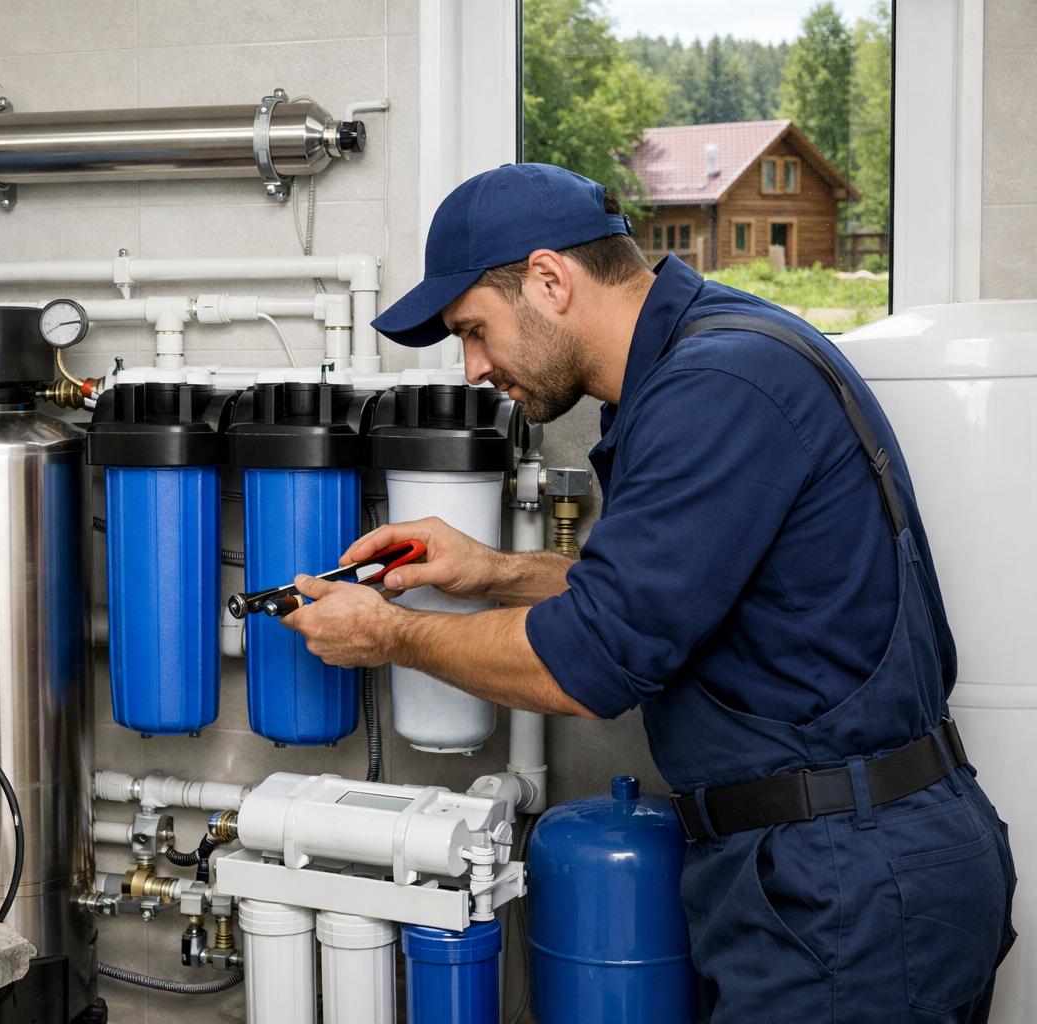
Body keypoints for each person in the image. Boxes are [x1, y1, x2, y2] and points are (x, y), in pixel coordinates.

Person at [279, 162, 1017, 1022]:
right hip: (836, 861)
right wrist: (491, 570)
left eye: (475, 330)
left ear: (550, 280)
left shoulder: (717, 386)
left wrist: (391, 636)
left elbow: (587, 663)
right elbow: (661, 597)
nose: (474, 367)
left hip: (846, 880)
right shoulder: (708, 358)